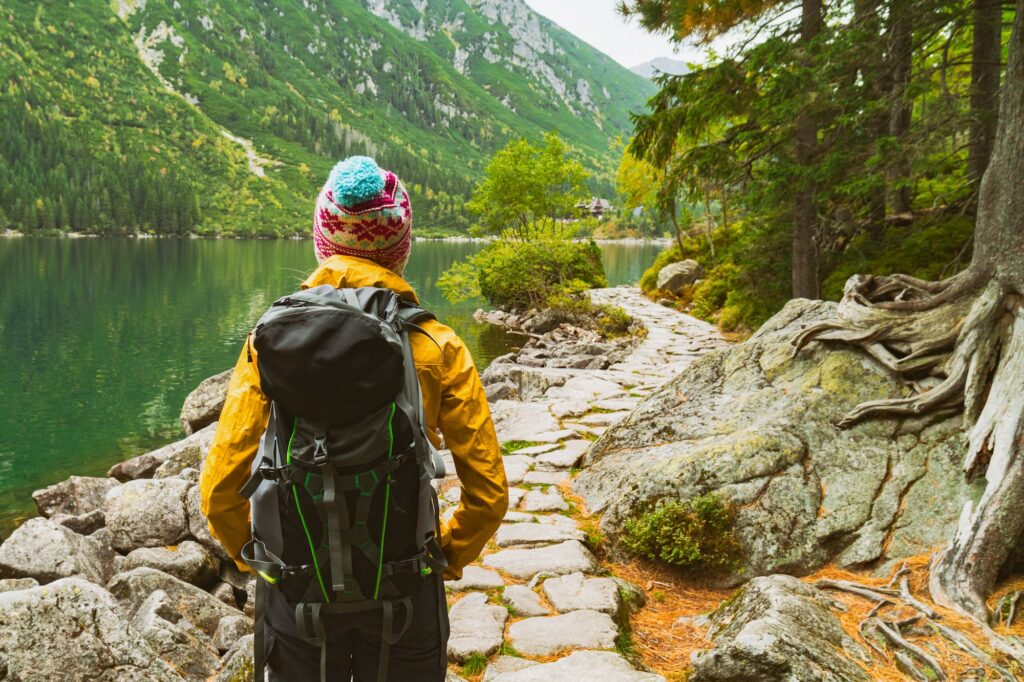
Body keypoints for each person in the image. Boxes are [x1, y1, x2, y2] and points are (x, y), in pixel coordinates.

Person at [199, 156, 508, 681]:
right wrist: (444, 560)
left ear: (322, 239)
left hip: (298, 596)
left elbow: (219, 491)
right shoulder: (438, 345)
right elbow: (488, 494)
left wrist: (260, 564)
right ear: (401, 247)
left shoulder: (268, 340)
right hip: (405, 596)